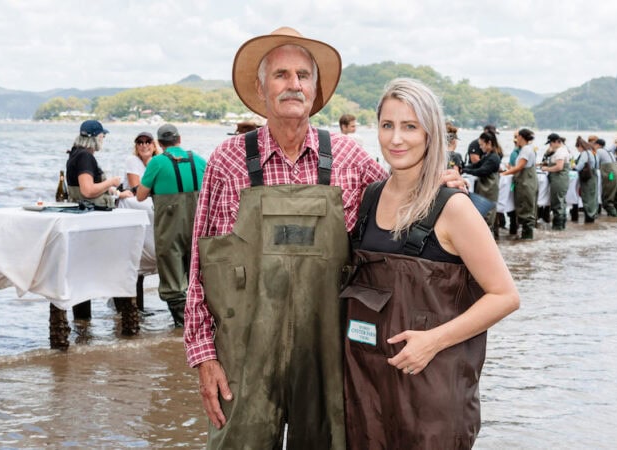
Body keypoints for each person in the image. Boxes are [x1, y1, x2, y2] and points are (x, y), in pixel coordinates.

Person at [184, 27, 418, 449]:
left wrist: (442, 189)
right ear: (261, 88)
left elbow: (404, 211)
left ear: (315, 88)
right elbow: (200, 265)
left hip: (329, 356)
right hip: (243, 357)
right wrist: (203, 357)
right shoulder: (227, 160)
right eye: (281, 75)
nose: (293, 84)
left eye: (303, 75)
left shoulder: (349, 157)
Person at [342, 77, 519, 450]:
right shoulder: (370, 197)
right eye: (387, 125)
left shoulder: (453, 207)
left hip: (432, 393)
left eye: (410, 126)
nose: (396, 139)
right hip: (368, 390)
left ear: (430, 133)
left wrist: (433, 341)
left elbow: (504, 295)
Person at [136, 123, 206, 327]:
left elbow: (140, 196)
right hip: (198, 228)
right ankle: (202, 324)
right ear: (179, 139)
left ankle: (184, 327)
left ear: (159, 143)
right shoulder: (199, 160)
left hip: (170, 229)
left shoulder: (157, 162)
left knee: (172, 279)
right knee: (198, 275)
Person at [66, 120, 133, 208]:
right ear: (96, 137)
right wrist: (111, 182)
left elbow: (86, 186)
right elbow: (88, 191)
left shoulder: (75, 153)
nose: (103, 139)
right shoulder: (85, 156)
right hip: (91, 210)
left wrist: (118, 194)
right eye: (103, 136)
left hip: (79, 207)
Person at [463, 131, 502, 238]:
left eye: (481, 145)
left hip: (490, 190)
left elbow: (482, 171)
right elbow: (477, 165)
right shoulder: (488, 155)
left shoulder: (494, 157)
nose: (480, 147)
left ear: (489, 143)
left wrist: (466, 171)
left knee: (488, 217)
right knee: (483, 215)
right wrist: (464, 168)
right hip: (484, 189)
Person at [501, 128, 538, 239]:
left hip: (526, 183)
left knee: (526, 209)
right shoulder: (525, 149)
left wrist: (504, 174)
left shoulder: (526, 149)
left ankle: (527, 238)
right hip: (525, 182)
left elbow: (519, 167)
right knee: (525, 207)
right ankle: (525, 239)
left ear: (521, 137)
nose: (516, 139)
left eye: (517, 137)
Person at [540, 132, 570, 230]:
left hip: (559, 179)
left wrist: (546, 169)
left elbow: (559, 167)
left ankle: (558, 227)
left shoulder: (561, 151)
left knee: (557, 203)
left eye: (551, 143)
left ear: (557, 142)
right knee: (561, 202)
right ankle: (561, 227)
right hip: (558, 179)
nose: (550, 145)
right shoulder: (559, 150)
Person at [592, 138, 617, 217]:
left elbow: (595, 164)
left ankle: (613, 217)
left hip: (611, 175)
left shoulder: (598, 151)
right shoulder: (609, 151)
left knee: (608, 197)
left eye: (594, 144)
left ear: (598, 145)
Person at [574, 136, 598, 223]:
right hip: (594, 177)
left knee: (587, 197)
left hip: (587, 178)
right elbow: (597, 165)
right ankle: (592, 217)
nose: (578, 150)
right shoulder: (592, 152)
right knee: (593, 197)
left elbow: (579, 167)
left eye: (578, 148)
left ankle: (589, 218)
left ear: (580, 146)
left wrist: (573, 167)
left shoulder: (584, 153)